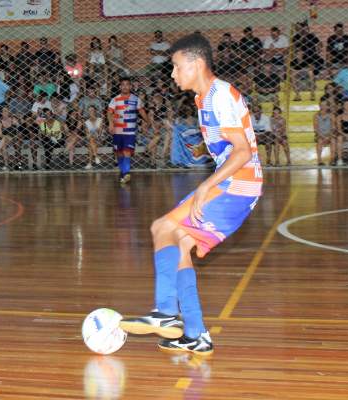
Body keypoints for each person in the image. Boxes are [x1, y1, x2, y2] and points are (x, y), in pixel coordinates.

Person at [120, 33, 263, 356]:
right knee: (179, 245)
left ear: (196, 64)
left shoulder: (220, 94)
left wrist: (205, 186)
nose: (172, 74)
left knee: (162, 228)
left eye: (176, 67)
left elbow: (241, 152)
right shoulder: (203, 98)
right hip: (236, 184)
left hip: (237, 184)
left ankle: (166, 312)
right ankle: (196, 334)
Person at [108, 76, 149, 184]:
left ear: (130, 86)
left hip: (130, 131)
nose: (125, 87)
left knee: (127, 152)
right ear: (120, 87)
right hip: (117, 131)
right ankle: (123, 173)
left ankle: (126, 173)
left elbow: (141, 111)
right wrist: (111, 124)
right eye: (123, 85)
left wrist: (148, 121)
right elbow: (109, 112)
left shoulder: (136, 99)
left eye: (127, 84)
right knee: (119, 153)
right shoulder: (115, 99)